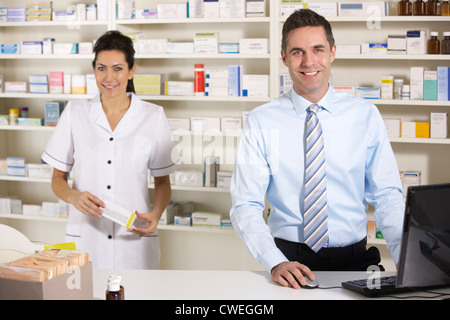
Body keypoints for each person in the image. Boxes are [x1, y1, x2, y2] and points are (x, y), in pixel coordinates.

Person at [229, 9, 405, 289]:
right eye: (297, 52)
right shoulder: (262, 121)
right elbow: (245, 205)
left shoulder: (364, 115)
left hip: (355, 261)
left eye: (318, 49)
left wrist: (407, 260)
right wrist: (274, 261)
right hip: (289, 264)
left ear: (332, 52)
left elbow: (387, 197)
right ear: (284, 57)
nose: (309, 62)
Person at [41, 30, 180, 269]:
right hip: (86, 235)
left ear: (131, 70)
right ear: (94, 69)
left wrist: (156, 214)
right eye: (101, 68)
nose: (109, 77)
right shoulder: (75, 113)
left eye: (117, 68)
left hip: (133, 238)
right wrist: (74, 197)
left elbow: (162, 183)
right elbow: (57, 179)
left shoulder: (152, 116)